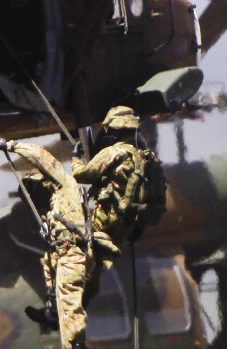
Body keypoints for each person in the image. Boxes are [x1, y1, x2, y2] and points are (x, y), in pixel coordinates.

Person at [0, 138, 92, 349]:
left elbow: (41, 156)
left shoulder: (63, 185)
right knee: (48, 264)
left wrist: (12, 146)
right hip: (62, 252)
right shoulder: (52, 203)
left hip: (73, 253)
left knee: (69, 300)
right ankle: (51, 311)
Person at [71, 105, 167, 279]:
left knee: (72, 247)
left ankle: (70, 296)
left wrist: (75, 158)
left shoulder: (114, 152)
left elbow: (82, 175)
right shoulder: (146, 157)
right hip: (130, 222)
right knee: (96, 264)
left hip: (108, 218)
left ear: (114, 130)